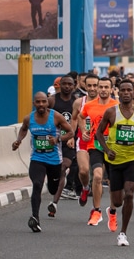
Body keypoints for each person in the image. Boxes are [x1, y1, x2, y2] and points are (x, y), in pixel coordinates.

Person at [95, 79, 134, 246]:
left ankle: (123, 233)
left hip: (132, 159)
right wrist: (106, 150)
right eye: (123, 90)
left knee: (130, 193)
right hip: (114, 160)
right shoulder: (111, 112)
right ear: (118, 92)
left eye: (129, 90)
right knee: (117, 201)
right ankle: (112, 210)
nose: (126, 93)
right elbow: (98, 133)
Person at [11, 91, 72, 231]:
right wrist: (18, 141)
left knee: (52, 189)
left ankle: (61, 179)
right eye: (38, 102)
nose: (41, 104)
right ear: (34, 103)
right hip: (37, 157)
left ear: (47, 102)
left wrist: (57, 139)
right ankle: (35, 218)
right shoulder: (29, 118)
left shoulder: (56, 116)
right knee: (37, 184)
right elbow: (23, 129)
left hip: (54, 159)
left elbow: (70, 132)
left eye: (43, 101)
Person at [75, 74, 112, 226]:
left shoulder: (113, 104)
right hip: (86, 141)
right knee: (84, 171)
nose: (92, 88)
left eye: (95, 85)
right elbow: (76, 117)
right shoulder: (81, 102)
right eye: (88, 85)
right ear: (84, 85)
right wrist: (79, 132)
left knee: (102, 176)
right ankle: (85, 188)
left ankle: (109, 209)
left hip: (105, 143)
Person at [47, 75, 79, 203]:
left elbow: (78, 119)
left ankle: (54, 202)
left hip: (68, 140)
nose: (67, 86)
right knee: (54, 170)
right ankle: (53, 182)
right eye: (64, 84)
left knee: (64, 166)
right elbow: (41, 114)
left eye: (70, 84)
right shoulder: (52, 100)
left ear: (74, 86)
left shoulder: (76, 102)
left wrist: (74, 136)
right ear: (59, 85)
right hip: (53, 141)